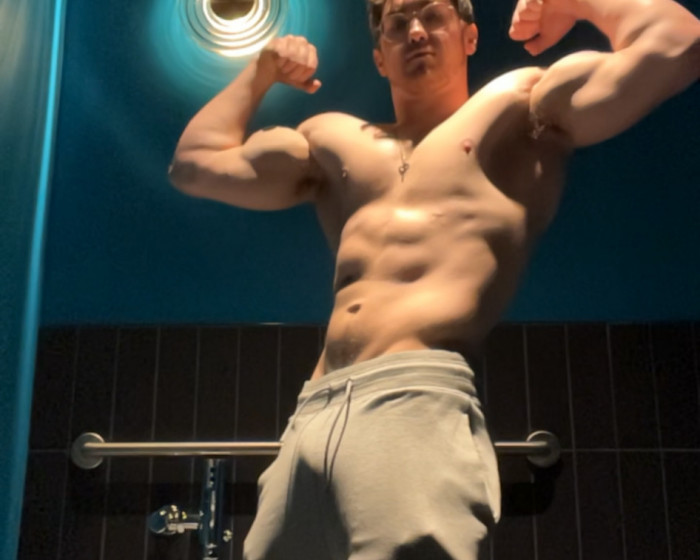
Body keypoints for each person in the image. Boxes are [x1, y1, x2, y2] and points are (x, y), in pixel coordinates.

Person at [169, 0, 699, 557]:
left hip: (415, 399)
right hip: (312, 411)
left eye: (433, 16)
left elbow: (678, 44)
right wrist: (261, 71)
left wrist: (577, 3)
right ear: (380, 58)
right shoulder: (332, 142)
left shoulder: (520, 108)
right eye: (397, 24)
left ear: (470, 37)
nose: (416, 31)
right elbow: (193, 165)